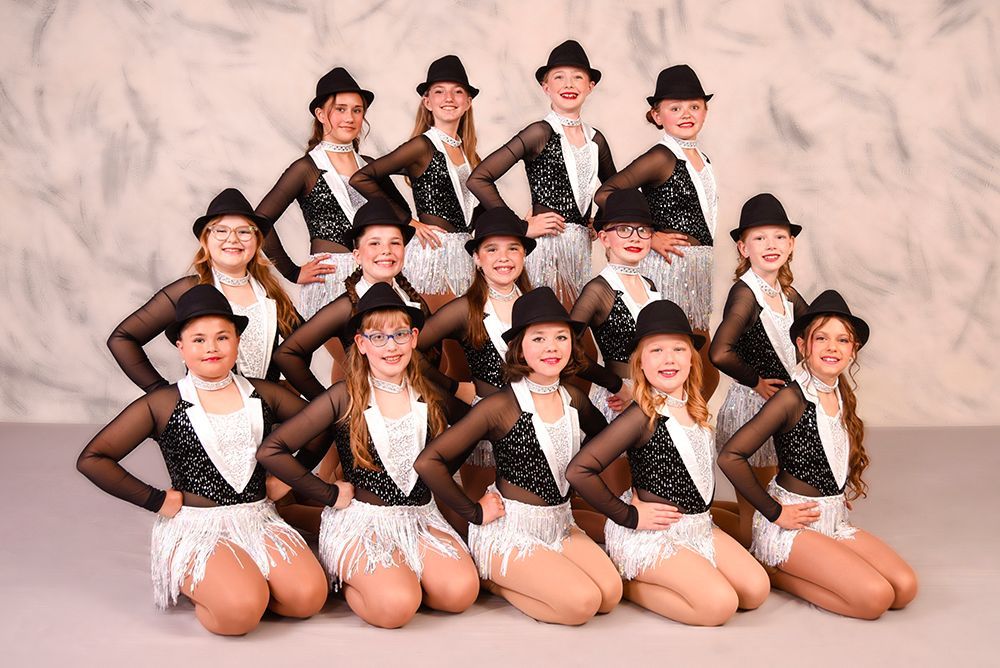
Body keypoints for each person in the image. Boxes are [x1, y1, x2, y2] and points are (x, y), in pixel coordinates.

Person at [78, 285, 327, 635]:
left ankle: (244, 579)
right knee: (240, 614)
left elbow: (322, 426)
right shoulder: (163, 403)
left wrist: (291, 476)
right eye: (198, 340)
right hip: (199, 527)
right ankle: (219, 583)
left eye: (222, 337)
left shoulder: (264, 393)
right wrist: (155, 499)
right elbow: (93, 458)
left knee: (307, 600)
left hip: (259, 519)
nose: (211, 347)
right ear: (181, 348)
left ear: (237, 342)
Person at [258, 283, 479, 628]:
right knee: (397, 608)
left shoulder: (429, 392)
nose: (391, 346)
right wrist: (328, 493)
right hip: (366, 522)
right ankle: (352, 577)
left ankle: (402, 572)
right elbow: (273, 450)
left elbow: (472, 426)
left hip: (420, 518)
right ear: (361, 344)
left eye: (400, 334)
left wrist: (440, 467)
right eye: (378, 337)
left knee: (460, 594)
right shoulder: (343, 396)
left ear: (415, 338)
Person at [415, 288, 622, 625]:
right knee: (582, 604)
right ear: (520, 349)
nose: (552, 347)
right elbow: (429, 462)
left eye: (561, 338)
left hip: (560, 524)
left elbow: (606, 441)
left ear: (572, 346)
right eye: (538, 339)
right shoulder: (500, 405)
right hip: (511, 529)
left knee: (609, 595)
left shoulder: (574, 399)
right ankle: (493, 577)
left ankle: (539, 574)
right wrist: (473, 512)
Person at [567, 299, 769, 625]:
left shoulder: (696, 406)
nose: (669, 359)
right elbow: (579, 470)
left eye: (679, 349)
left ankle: (682, 573)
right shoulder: (641, 415)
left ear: (692, 359)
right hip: (655, 533)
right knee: (718, 606)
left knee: (755, 590)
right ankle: (628, 581)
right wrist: (628, 515)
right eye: (656, 351)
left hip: (699, 528)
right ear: (641, 364)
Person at [719, 291, 918, 619]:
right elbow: (731, 456)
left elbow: (831, 449)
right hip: (794, 525)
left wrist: (836, 489)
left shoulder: (842, 393)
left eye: (843, 340)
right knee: (874, 598)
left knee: (904, 587)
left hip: (834, 520)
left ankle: (806, 563)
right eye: (821, 338)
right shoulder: (790, 399)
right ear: (802, 345)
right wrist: (775, 512)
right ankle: (775, 571)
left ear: (853, 350)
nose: (832, 347)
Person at [594, 64, 719, 398]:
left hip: (695, 268)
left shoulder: (701, 158)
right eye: (675, 108)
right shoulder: (661, 156)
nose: (686, 114)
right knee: (671, 352)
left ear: (705, 111)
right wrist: (652, 237)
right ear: (657, 115)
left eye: (694, 106)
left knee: (695, 358)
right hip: (668, 268)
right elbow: (606, 194)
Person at [256, 66, 408, 322]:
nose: (349, 117)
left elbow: (401, 217)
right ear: (321, 114)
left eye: (356, 110)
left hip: (376, 274)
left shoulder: (370, 166)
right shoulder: (306, 168)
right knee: (352, 359)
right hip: (331, 280)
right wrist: (292, 272)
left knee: (368, 359)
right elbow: (259, 221)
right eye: (340, 109)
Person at [468, 40, 615, 303]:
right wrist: (519, 227)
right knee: (548, 320)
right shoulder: (540, 132)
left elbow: (613, 192)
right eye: (559, 77)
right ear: (546, 87)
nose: (568, 84)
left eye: (577, 77)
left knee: (571, 326)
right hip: (547, 248)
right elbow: (479, 178)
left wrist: (600, 221)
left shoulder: (596, 139)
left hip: (579, 250)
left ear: (590, 86)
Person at [108, 189, 299, 392]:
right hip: (206, 415)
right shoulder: (189, 290)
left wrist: (289, 389)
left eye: (244, 231)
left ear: (257, 241)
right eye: (221, 230)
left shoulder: (271, 295)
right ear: (205, 240)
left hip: (263, 416)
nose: (233, 239)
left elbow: (301, 343)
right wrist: (164, 393)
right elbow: (122, 339)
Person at [415, 207, 535, 503]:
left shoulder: (537, 305)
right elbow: (408, 350)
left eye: (513, 249)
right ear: (478, 259)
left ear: (523, 255)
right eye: (491, 249)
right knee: (486, 513)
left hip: (535, 421)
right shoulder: (464, 309)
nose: (503, 258)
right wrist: (455, 388)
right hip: (485, 426)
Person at [709, 193, 808, 546]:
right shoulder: (746, 294)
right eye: (759, 238)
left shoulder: (787, 294)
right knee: (756, 504)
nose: (771, 245)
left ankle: (759, 547)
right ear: (742, 247)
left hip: (780, 411)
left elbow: (813, 335)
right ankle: (757, 560)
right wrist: (756, 382)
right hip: (752, 408)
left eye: (779, 237)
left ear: (792, 243)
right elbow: (719, 352)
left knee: (772, 494)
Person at [350, 54, 481, 301]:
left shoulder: (470, 155)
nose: (449, 99)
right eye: (439, 92)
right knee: (437, 333)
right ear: (427, 102)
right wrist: (407, 221)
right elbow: (362, 177)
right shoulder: (422, 146)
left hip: (464, 255)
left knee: (463, 336)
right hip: (434, 255)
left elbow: (479, 210)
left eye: (458, 92)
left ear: (468, 102)